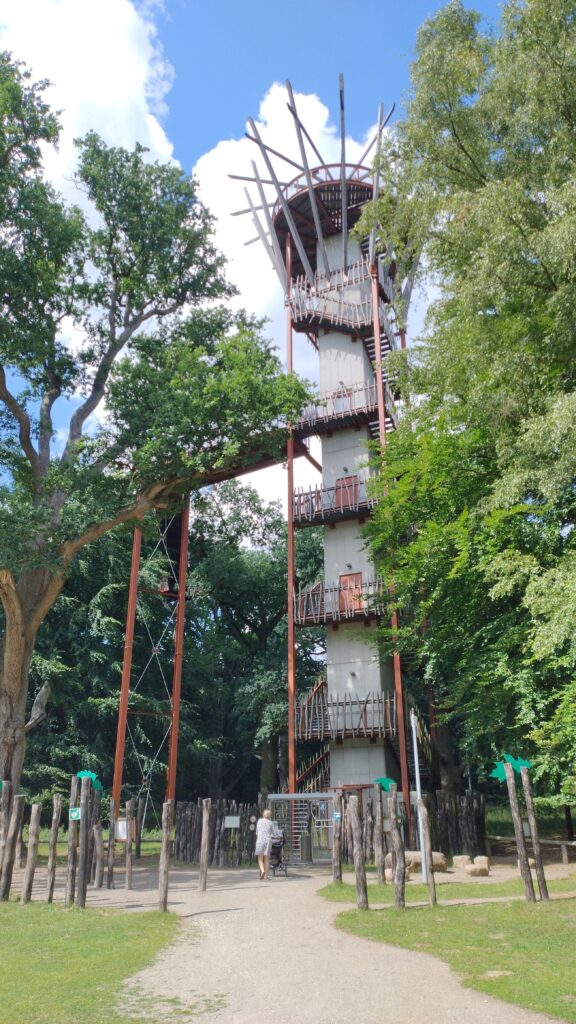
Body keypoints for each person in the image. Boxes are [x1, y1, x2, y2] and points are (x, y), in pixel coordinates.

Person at [254, 808, 275, 880]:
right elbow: (274, 833)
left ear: (263, 814)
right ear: (269, 815)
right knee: (266, 859)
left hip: (260, 841)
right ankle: (266, 876)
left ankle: (262, 870)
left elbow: (257, 832)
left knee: (260, 858)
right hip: (268, 841)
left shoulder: (259, 821)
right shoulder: (271, 823)